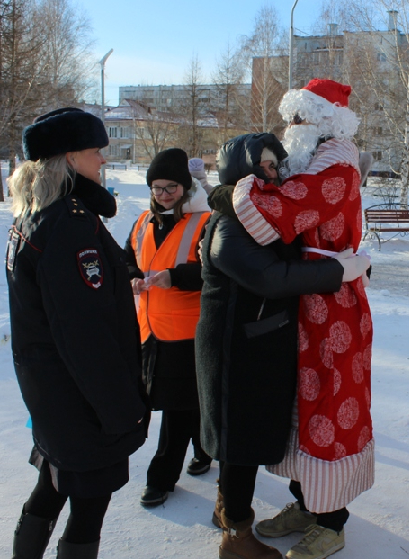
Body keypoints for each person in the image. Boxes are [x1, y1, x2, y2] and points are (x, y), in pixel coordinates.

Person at [196, 131, 369, 559]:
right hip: (234, 353)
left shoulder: (262, 216)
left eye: (276, 164)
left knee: (256, 437)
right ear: (243, 171)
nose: (275, 174)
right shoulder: (229, 226)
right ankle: (235, 534)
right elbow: (272, 277)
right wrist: (338, 272)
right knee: (238, 445)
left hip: (260, 348)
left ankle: (308, 512)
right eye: (266, 166)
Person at [6, 108, 148, 559]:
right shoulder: (67, 226)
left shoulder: (36, 215)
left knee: (52, 485)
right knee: (88, 504)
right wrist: (123, 410)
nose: (102, 161)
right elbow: (85, 336)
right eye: (95, 152)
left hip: (55, 398)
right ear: (69, 158)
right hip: (82, 403)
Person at [124, 148, 213, 508]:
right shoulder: (143, 220)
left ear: (186, 186)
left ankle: (160, 480)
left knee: (176, 411)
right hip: (149, 332)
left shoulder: (205, 221)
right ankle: (206, 450)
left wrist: (174, 277)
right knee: (185, 403)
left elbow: (215, 273)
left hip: (186, 333)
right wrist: (131, 277)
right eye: (157, 187)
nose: (163, 194)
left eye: (171, 186)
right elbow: (126, 258)